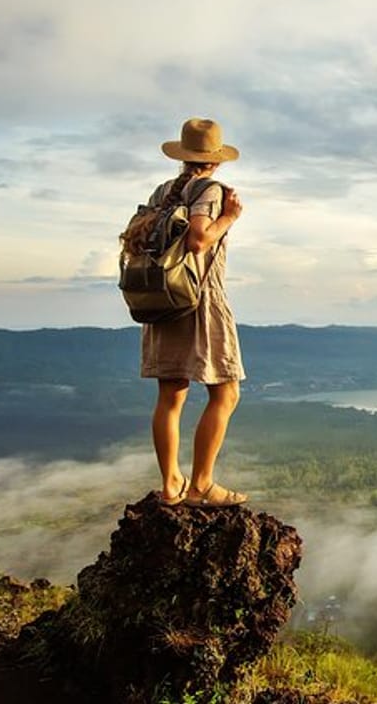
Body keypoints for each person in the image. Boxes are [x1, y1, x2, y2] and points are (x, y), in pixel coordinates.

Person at [138, 117, 248, 508]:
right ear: (215, 160)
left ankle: (171, 485)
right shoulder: (211, 191)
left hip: (162, 299)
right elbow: (200, 240)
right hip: (198, 299)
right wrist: (230, 217)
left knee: (171, 393)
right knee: (227, 391)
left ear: (183, 157)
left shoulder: (163, 192)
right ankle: (201, 483)